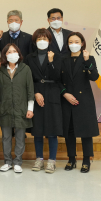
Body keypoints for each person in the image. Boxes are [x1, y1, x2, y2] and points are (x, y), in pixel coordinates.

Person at [0, 43, 35, 173]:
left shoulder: (25, 69)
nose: (12, 54)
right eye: (9, 52)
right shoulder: (2, 69)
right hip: (5, 108)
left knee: (20, 137)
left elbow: (30, 90)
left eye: (14, 51)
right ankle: (7, 162)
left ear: (19, 54)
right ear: (5, 55)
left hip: (21, 108)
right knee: (6, 137)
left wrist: (30, 109)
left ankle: (18, 162)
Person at [24, 28, 63, 173]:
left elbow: (57, 76)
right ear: (35, 41)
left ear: (49, 40)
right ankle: (39, 159)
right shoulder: (29, 57)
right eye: (39, 39)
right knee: (38, 130)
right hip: (36, 93)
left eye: (44, 39)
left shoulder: (57, 56)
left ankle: (52, 161)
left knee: (52, 131)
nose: (42, 41)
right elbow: (27, 78)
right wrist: (35, 93)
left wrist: (51, 61)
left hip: (52, 94)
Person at [60, 32, 99, 173]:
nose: (73, 44)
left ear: (82, 43)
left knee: (85, 131)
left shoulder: (89, 58)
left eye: (77, 42)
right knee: (69, 131)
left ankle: (86, 160)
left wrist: (87, 61)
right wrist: (65, 93)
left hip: (84, 100)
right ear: (67, 44)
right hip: (67, 99)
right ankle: (71, 159)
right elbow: (57, 80)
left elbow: (94, 77)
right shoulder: (62, 59)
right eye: (71, 42)